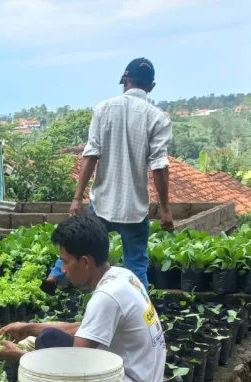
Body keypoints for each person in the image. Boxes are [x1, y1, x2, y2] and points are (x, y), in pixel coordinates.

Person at [0, 214, 165, 382]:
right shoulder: (123, 276)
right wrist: (29, 328)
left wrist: (20, 356)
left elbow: (75, 369)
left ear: (86, 262)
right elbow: (86, 328)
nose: (63, 270)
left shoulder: (106, 298)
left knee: (48, 345)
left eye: (66, 262)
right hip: (146, 380)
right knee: (48, 336)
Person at [44, 57, 173, 292]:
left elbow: (90, 155)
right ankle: (140, 306)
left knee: (82, 243)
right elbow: (159, 167)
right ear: (151, 86)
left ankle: (56, 277)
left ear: (125, 80)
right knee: (136, 264)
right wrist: (165, 210)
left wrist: (77, 197)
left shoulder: (103, 109)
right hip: (134, 208)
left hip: (103, 202)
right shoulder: (157, 118)